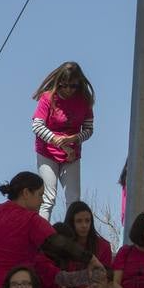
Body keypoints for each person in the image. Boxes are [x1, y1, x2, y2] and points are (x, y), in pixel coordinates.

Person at [31, 61, 96, 219]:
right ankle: (42, 235)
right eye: (63, 85)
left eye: (72, 86)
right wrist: (56, 140)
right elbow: (37, 125)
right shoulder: (48, 98)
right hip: (47, 152)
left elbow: (88, 129)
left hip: (71, 155)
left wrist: (75, 138)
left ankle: (71, 237)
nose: (67, 90)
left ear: (78, 84)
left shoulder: (84, 101)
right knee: (47, 198)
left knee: (73, 199)